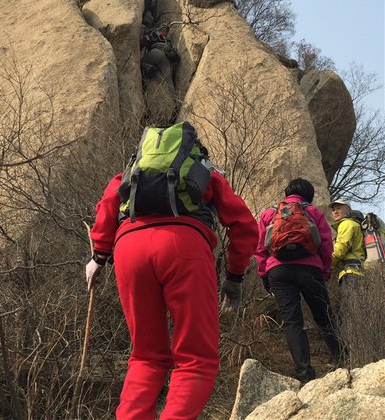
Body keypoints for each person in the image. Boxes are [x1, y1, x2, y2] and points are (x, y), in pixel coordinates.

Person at [86, 160, 259, 419]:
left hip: (129, 249)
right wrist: (234, 275)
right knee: (196, 360)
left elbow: (108, 205)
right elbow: (244, 224)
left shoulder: (133, 170)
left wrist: (98, 256)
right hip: (184, 247)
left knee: (146, 356)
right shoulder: (205, 171)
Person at [255, 178, 341, 384]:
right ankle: (341, 359)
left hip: (278, 270)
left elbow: (259, 247)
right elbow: (327, 245)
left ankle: (304, 373)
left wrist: (263, 274)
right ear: (308, 195)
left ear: (287, 193)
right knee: (324, 315)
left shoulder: (270, 213)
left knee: (293, 321)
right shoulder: (313, 212)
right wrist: (325, 271)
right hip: (310, 268)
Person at [329, 198, 365, 285]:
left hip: (351, 272)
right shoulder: (356, 224)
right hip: (359, 270)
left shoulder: (347, 224)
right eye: (333, 210)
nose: (335, 212)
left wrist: (326, 266)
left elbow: (340, 249)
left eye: (339, 208)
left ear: (348, 209)